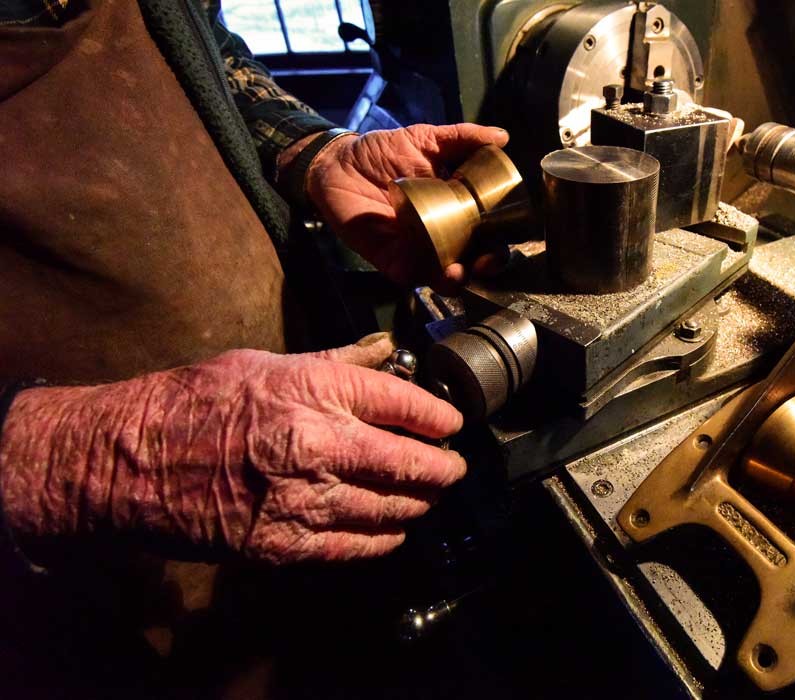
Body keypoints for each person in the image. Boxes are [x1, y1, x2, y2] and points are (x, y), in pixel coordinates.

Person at [0, 0, 504, 693]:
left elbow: (200, 36)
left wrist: (311, 152)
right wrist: (70, 457)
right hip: (67, 601)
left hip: (270, 505)